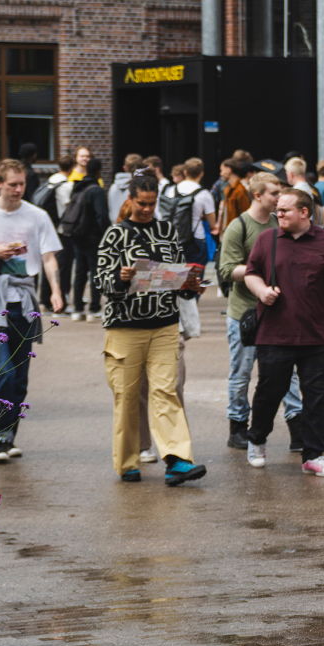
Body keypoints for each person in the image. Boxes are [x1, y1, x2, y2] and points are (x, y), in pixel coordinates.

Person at [95, 171, 209, 487]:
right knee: (127, 396)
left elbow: (178, 276)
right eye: (141, 203)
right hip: (125, 327)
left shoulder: (167, 230)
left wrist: (190, 285)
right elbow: (101, 282)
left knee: (165, 392)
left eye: (152, 203)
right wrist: (121, 278)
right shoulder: (115, 235)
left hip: (164, 325)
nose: (147, 209)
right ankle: (128, 462)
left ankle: (177, 460)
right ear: (130, 199)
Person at [241, 188, 324, 478]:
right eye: (277, 210)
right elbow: (251, 272)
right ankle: (257, 438)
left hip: (318, 335)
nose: (277, 214)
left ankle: (313, 454)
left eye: (284, 210)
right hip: (274, 334)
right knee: (269, 392)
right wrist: (262, 291)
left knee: (317, 397)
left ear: (304, 213)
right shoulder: (267, 240)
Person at [0, 158, 66, 462]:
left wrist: (56, 291)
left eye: (22, 184)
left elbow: (48, 257)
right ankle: (0, 438)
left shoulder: (37, 215)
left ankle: (10, 434)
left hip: (25, 300)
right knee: (2, 370)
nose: (19, 189)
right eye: (13, 184)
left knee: (19, 376)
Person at [217, 173, 296, 448]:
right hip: (245, 314)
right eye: (274, 193)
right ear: (258, 195)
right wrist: (258, 273)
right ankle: (237, 426)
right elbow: (226, 269)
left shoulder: (279, 223)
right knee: (241, 372)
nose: (279, 198)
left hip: (278, 312)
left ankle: (297, 425)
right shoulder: (239, 227)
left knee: (288, 373)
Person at [61, 158, 111, 320]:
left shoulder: (78, 186)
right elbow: (101, 216)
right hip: (93, 237)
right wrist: (108, 234)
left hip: (77, 234)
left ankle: (77, 308)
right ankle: (94, 308)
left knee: (79, 272)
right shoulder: (96, 190)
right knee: (96, 272)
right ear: (99, 171)